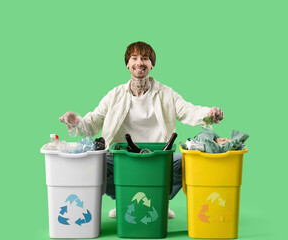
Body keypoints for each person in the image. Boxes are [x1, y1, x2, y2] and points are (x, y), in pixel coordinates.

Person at [59, 41, 223, 219]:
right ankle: (123, 202)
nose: (139, 63)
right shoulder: (114, 95)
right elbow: (92, 123)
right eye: (134, 58)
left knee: (187, 162)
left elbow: (188, 110)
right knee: (95, 163)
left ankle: (160, 202)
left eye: (145, 58)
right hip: (121, 159)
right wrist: (76, 121)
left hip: (158, 158)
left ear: (152, 64)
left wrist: (209, 114)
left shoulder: (167, 94)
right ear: (127, 64)